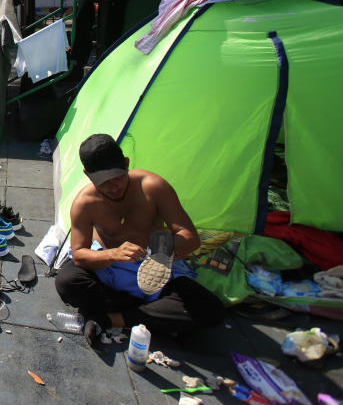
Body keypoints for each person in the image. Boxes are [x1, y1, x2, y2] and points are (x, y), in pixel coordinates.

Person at [55, 134, 224, 347]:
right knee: (68, 282)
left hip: (155, 269)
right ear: (88, 175)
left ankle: (112, 318)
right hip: (111, 269)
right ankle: (151, 316)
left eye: (118, 177)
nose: (114, 187)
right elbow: (79, 254)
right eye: (104, 182)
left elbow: (189, 236)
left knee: (211, 310)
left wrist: (163, 253)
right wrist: (112, 254)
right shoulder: (85, 204)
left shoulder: (153, 187)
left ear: (126, 164)